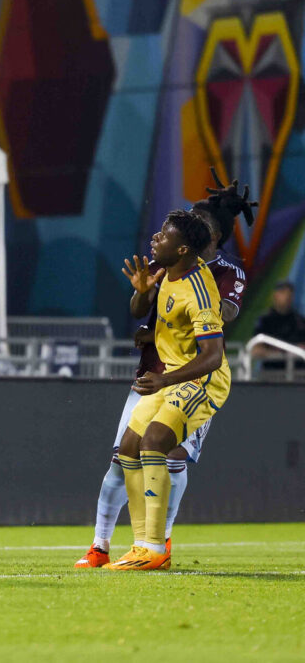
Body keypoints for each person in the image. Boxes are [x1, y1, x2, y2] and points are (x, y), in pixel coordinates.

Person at [75, 174, 253, 568]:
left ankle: (158, 544)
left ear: (212, 236)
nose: (183, 224)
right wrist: (148, 315)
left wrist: (173, 323)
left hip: (191, 377)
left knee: (168, 455)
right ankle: (105, 545)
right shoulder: (166, 265)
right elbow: (145, 310)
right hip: (154, 373)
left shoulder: (218, 277)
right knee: (124, 457)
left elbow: (213, 328)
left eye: (196, 222)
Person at [106, 210, 230, 571]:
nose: (156, 238)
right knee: (128, 448)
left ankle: (156, 549)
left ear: (183, 249)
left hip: (202, 380)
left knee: (154, 442)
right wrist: (142, 292)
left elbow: (212, 356)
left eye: (164, 235)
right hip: (173, 374)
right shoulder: (168, 274)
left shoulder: (200, 293)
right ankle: (143, 547)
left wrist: (163, 379)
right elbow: (138, 311)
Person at [251, 281, 305, 370]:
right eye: (283, 293)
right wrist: (281, 354)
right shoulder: (265, 321)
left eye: (290, 294)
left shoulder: (299, 321)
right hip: (272, 374)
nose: (287, 297)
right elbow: (255, 350)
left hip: (297, 375)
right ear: (275, 295)